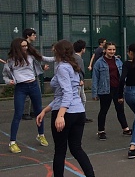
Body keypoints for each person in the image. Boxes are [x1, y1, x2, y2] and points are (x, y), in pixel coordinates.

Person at [36, 40, 95, 177]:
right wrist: (45, 110)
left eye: (54, 50)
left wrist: (61, 115)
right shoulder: (71, 66)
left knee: (60, 150)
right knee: (76, 148)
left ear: (59, 51)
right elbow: (62, 95)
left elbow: (67, 93)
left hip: (67, 112)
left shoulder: (62, 67)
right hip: (78, 111)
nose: (52, 52)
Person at [2, 38, 54, 153]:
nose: (25, 48)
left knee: (39, 111)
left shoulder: (31, 56)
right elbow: (5, 76)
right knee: (18, 114)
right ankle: (12, 142)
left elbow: (45, 59)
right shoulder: (10, 61)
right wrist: (8, 81)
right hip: (20, 88)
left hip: (33, 85)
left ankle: (41, 134)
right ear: (17, 48)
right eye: (23, 46)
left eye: (26, 46)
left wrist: (60, 57)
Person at [91, 42, 132, 140]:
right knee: (103, 110)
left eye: (113, 49)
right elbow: (95, 78)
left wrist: (125, 86)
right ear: (105, 50)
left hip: (118, 89)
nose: (112, 51)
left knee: (120, 109)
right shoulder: (99, 62)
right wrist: (94, 92)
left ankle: (125, 128)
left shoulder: (118, 61)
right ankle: (101, 131)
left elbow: (123, 75)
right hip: (105, 90)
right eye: (109, 49)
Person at [22, 28, 41, 120]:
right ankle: (25, 112)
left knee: (36, 92)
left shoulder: (31, 47)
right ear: (28, 36)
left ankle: (33, 111)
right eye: (33, 35)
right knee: (27, 94)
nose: (35, 36)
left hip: (33, 72)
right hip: (26, 74)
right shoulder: (24, 46)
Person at [73, 40, 93, 123]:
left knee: (82, 98)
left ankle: (82, 116)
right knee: (81, 99)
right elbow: (79, 70)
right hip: (78, 81)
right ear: (82, 49)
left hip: (78, 80)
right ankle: (79, 117)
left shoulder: (74, 57)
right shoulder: (78, 59)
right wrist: (81, 79)